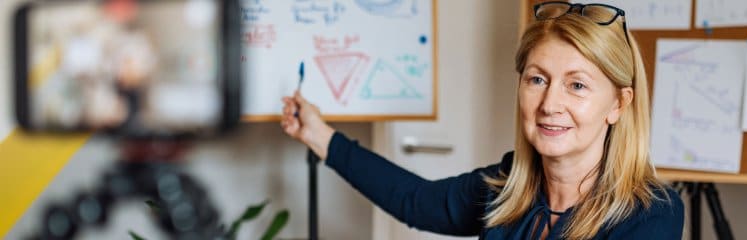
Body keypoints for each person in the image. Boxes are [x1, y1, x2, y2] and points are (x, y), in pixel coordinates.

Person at [280, 2, 683, 239]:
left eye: (577, 85)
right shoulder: (506, 188)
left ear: (618, 104)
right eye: (537, 79)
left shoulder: (650, 212)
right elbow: (414, 201)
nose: (549, 103)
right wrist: (318, 134)